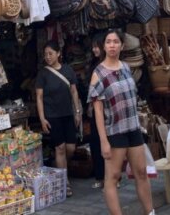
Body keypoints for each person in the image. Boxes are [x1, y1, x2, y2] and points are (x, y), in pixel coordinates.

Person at [87, 29, 154, 215]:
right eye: (108, 42)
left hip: (133, 128)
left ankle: (150, 212)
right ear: (103, 46)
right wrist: (103, 141)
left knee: (141, 172)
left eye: (116, 42)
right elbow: (98, 111)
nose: (112, 45)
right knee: (113, 177)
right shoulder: (98, 73)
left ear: (122, 46)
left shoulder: (125, 67)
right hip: (114, 131)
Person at [35, 40, 82, 197]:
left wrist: (77, 111)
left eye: (51, 53)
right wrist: (42, 118)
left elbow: (74, 92)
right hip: (52, 116)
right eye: (45, 54)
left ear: (58, 54)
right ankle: (64, 182)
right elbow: (39, 97)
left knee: (71, 148)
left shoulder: (68, 70)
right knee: (60, 148)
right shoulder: (42, 74)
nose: (48, 57)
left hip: (68, 114)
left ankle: (59, 165)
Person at [86, 35, 105, 190]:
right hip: (95, 106)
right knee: (96, 142)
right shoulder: (93, 65)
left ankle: (113, 176)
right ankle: (100, 176)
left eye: (97, 46)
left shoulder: (107, 65)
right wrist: (89, 106)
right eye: (93, 47)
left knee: (109, 142)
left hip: (107, 108)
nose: (94, 50)